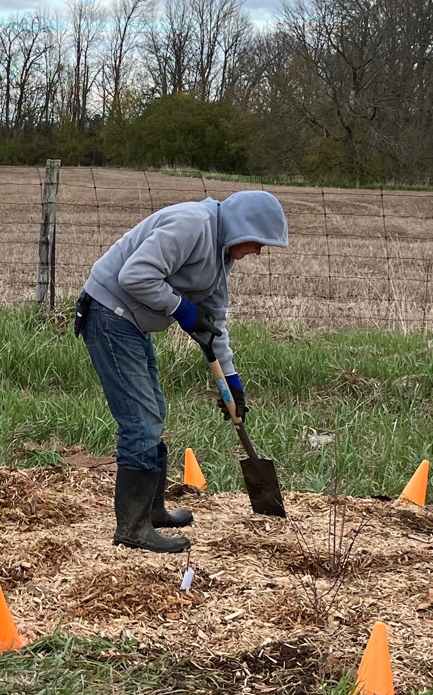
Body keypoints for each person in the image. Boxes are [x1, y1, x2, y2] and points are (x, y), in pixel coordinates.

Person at [77, 190, 290, 553]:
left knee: (154, 413)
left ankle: (152, 511)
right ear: (242, 228)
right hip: (109, 314)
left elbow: (214, 323)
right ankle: (132, 528)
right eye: (258, 242)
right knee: (140, 421)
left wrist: (232, 383)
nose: (258, 252)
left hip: (131, 322)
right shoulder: (192, 224)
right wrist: (183, 310)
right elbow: (135, 276)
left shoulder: (222, 256)